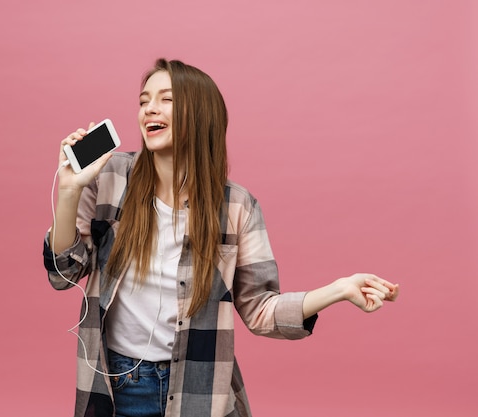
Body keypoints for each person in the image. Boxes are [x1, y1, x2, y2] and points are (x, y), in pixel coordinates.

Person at [42, 58, 399, 417]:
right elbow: (63, 275)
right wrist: (70, 191)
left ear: (200, 114)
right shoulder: (109, 177)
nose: (150, 108)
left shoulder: (237, 206)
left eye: (166, 99)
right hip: (116, 387)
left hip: (200, 390)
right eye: (144, 100)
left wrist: (338, 290)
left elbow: (261, 311)